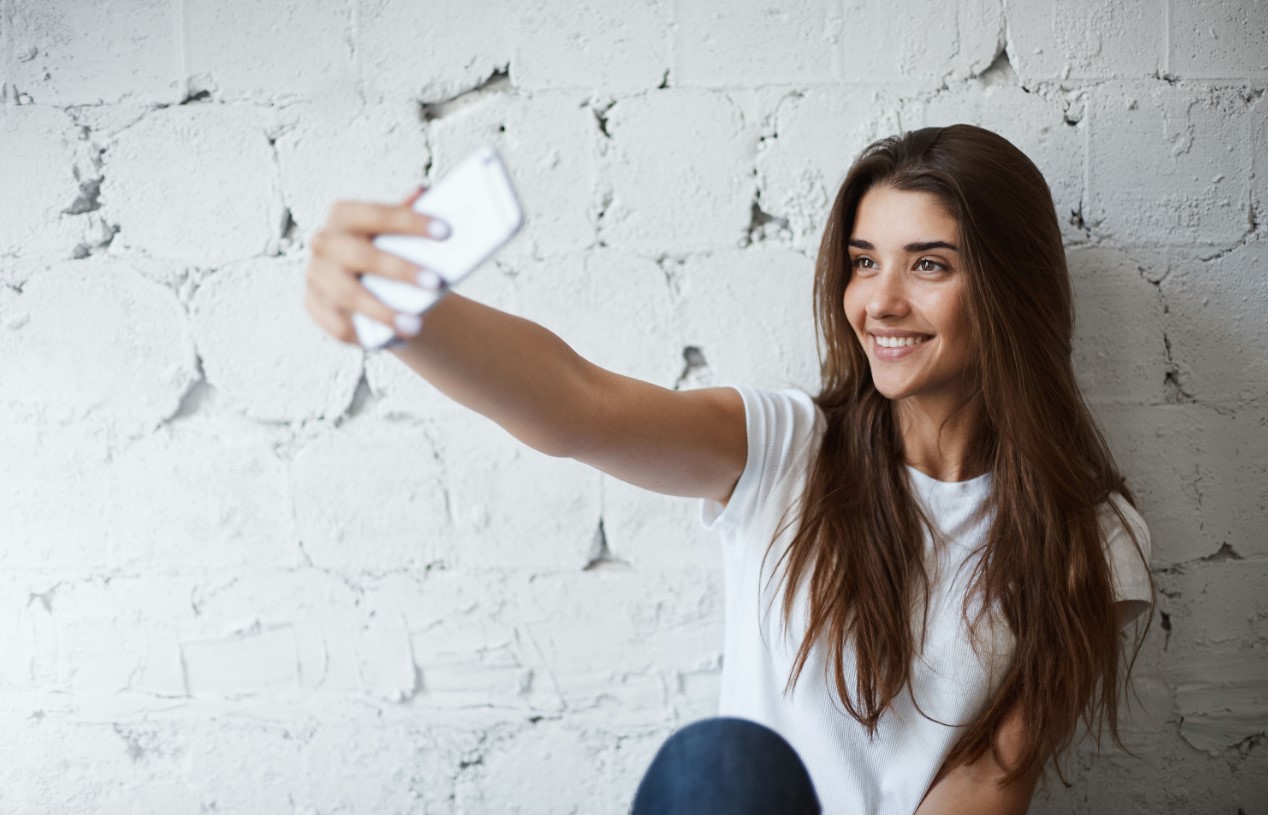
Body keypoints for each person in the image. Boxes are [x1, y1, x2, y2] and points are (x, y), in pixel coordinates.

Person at [303, 125, 1153, 814]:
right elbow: (578, 405)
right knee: (724, 764)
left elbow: (993, 778)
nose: (880, 301)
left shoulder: (1092, 534)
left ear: (1010, 287)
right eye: (864, 261)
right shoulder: (788, 447)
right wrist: (405, 314)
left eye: (928, 264)